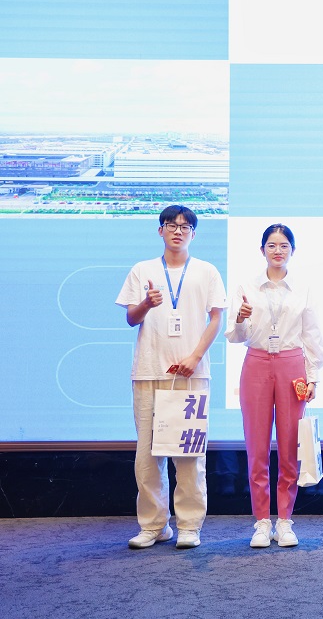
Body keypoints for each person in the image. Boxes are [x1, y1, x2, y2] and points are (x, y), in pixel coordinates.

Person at [116, 205, 226, 549]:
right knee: (147, 455)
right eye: (171, 225)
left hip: (191, 374)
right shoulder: (142, 270)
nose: (178, 231)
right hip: (149, 371)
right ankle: (154, 526)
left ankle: (190, 525)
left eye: (185, 226)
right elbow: (131, 318)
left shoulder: (206, 271)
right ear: (160, 230)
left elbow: (216, 319)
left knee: (189, 454)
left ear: (194, 233)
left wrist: (195, 357)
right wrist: (147, 304)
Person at [225, 224, 323, 548]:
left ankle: (284, 520)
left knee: (289, 445)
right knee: (256, 446)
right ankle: (261, 522)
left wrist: (313, 377)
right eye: (272, 245)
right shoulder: (246, 287)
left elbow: (312, 336)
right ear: (262, 250)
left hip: (292, 364)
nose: (278, 250)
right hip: (256, 363)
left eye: (284, 245)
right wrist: (241, 317)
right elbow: (235, 336)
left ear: (292, 250)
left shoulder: (303, 288)